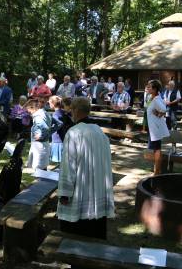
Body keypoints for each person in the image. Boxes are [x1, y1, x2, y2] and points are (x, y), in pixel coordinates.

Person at [57, 97, 115, 238]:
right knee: (94, 234)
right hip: (98, 190)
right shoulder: (100, 133)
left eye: (71, 111)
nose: (71, 114)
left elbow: (68, 165)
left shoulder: (74, 133)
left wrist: (65, 193)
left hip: (80, 194)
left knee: (76, 237)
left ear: (75, 111)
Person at [146, 80, 170, 175]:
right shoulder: (152, 97)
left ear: (155, 89)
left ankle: (157, 171)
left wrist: (160, 113)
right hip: (152, 127)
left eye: (150, 87)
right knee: (156, 149)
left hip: (155, 128)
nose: (148, 88)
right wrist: (158, 113)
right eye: (148, 87)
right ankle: (157, 170)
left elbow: (164, 109)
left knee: (157, 149)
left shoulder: (156, 99)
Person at [24, 99, 52, 172]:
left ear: (32, 108)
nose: (28, 112)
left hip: (39, 145)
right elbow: (57, 124)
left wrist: (41, 136)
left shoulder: (38, 116)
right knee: (43, 167)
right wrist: (49, 133)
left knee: (39, 169)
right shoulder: (44, 113)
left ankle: (41, 182)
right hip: (44, 144)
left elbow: (45, 128)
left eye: (28, 109)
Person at [48, 96, 66, 165]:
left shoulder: (56, 114)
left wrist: (50, 131)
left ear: (53, 104)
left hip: (58, 140)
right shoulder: (63, 112)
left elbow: (59, 124)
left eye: (49, 103)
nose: (49, 105)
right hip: (62, 138)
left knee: (59, 162)